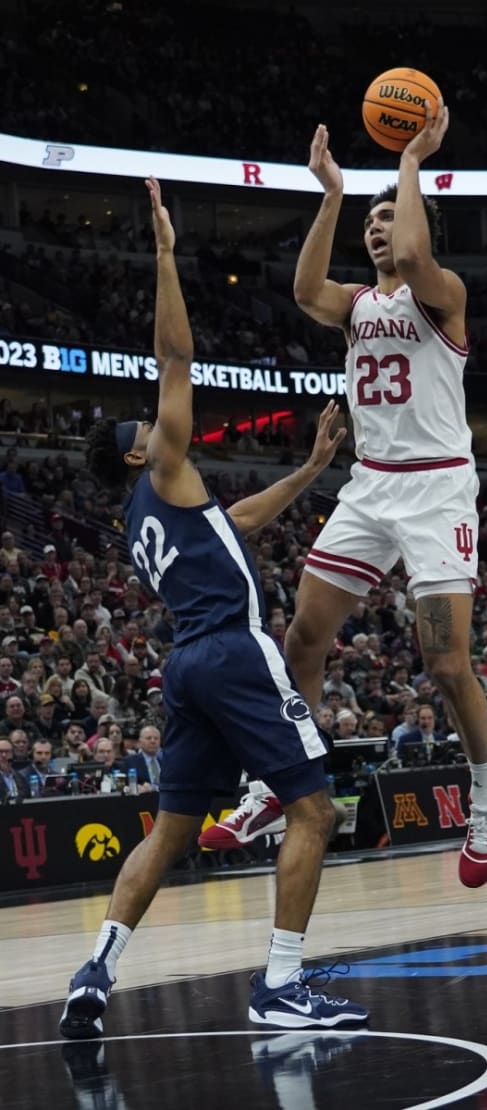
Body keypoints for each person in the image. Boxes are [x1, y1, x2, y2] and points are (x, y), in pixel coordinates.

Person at [59, 177, 366, 1042]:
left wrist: (310, 470)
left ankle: (97, 968)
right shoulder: (160, 472)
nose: (152, 429)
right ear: (133, 460)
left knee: (171, 831)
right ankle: (281, 984)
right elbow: (176, 362)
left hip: (186, 670)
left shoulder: (151, 517)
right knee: (314, 808)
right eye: (140, 432)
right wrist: (162, 253)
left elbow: (234, 525)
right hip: (232, 651)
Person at [285, 105, 487, 890]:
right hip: (372, 487)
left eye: (389, 219)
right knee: (302, 640)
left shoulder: (441, 293)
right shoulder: (356, 306)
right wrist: (333, 195)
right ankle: (284, 781)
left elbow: (416, 250)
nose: (378, 231)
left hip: (438, 489)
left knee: (447, 664)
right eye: (371, 223)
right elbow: (305, 288)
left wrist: (412, 158)